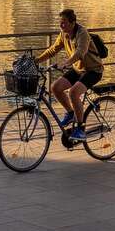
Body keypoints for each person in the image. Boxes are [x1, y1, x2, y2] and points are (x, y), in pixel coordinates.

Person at [34, 8, 104, 142]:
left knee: (73, 93)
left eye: (64, 22)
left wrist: (66, 63)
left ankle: (81, 129)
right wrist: (36, 60)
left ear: (73, 23)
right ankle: (71, 113)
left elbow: (80, 53)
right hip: (78, 69)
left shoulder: (82, 33)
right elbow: (53, 50)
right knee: (55, 87)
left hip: (93, 70)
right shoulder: (64, 33)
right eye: (60, 22)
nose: (61, 25)